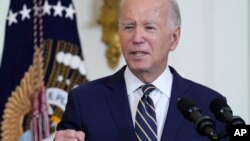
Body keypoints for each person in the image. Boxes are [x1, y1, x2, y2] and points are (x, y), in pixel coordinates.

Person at [55, 0, 229, 140]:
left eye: (149, 27)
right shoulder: (84, 101)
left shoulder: (210, 104)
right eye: (129, 27)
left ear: (174, 38)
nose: (137, 38)